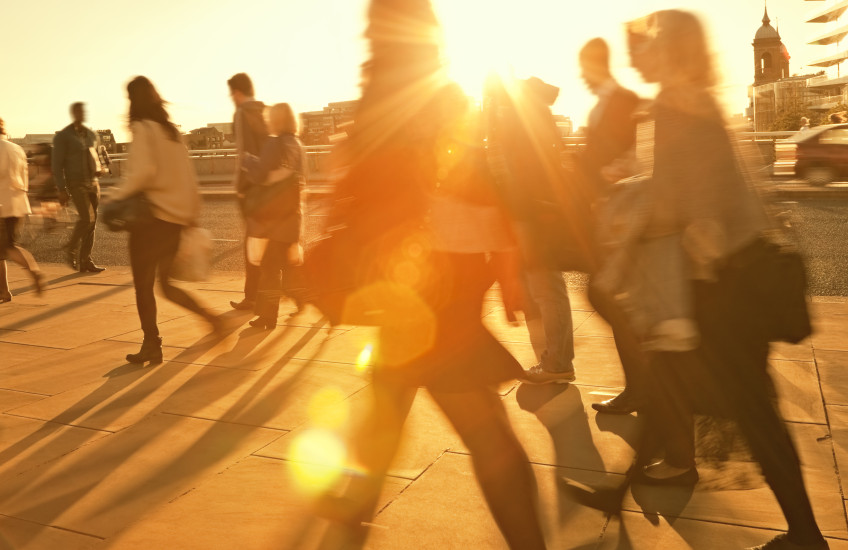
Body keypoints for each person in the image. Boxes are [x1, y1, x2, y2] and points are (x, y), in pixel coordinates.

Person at [312, 1, 546, 547]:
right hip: (429, 277)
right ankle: (352, 513)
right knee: (392, 402)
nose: (369, 31)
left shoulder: (402, 89)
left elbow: (447, 177)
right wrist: (505, 264)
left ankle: (354, 515)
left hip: (423, 281)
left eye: (375, 22)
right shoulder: (436, 89)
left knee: (477, 428)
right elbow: (475, 176)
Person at [620, 11, 828, 550]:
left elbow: (677, 200)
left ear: (670, 50)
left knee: (740, 409)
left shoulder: (674, 103)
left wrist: (629, 220)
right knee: (696, 391)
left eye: (653, 45)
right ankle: (622, 491)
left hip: (722, 282)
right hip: (735, 272)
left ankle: (806, 535)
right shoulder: (699, 97)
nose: (644, 54)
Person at [110, 76, 221, 364]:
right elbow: (188, 177)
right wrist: (190, 215)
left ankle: (152, 344)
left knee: (144, 287)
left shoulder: (142, 128)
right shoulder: (171, 132)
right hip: (174, 220)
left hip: (151, 219)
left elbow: (142, 173)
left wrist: (114, 196)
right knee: (166, 284)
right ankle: (211, 318)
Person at [485, 75, 579, 385]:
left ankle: (557, 361)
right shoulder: (532, 114)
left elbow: (521, 171)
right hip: (535, 212)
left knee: (546, 289)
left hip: (532, 214)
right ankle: (553, 358)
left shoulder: (517, 117)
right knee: (541, 289)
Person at [576, 37, 647, 415]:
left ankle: (645, 384)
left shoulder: (623, 100)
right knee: (610, 299)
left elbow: (635, 155)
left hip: (622, 218)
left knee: (607, 297)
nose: (581, 77)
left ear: (597, 65)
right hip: (607, 216)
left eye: (583, 68)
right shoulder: (608, 102)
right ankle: (641, 384)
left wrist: (610, 173)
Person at [241, 103, 304, 329]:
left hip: (274, 217)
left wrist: (247, 160)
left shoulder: (274, 143)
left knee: (268, 267)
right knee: (285, 265)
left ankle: (268, 316)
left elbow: (260, 174)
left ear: (275, 120)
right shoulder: (297, 144)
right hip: (293, 215)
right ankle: (304, 296)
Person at [227, 73, 268, 312]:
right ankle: (282, 290)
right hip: (269, 187)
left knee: (252, 243)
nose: (232, 98)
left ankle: (252, 296)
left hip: (252, 188)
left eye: (232, 93)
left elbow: (244, 153)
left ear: (238, 93)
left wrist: (241, 188)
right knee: (269, 241)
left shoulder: (242, 113)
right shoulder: (265, 111)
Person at [52, 102, 107, 273]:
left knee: (92, 223)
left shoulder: (91, 134)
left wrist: (101, 167)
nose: (81, 113)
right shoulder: (63, 136)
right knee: (87, 219)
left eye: (83, 111)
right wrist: (61, 188)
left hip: (93, 182)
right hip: (76, 183)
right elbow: (56, 164)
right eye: (77, 111)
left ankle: (85, 260)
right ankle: (71, 248)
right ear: (73, 113)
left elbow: (97, 156)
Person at [0, 117, 44, 302]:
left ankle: (33, 271)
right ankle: (4, 291)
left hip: (2, 204)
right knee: (3, 249)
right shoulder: (16, 148)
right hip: (18, 202)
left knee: (7, 247)